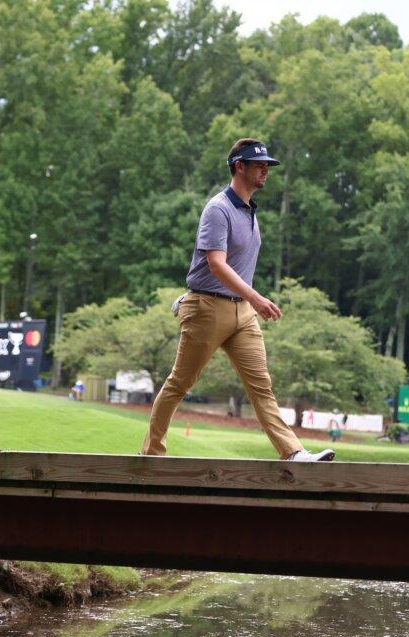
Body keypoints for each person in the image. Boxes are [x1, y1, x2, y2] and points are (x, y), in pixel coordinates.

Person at [141, 138, 334, 462]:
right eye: (258, 165)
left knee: (262, 387)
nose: (265, 171)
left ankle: (294, 452)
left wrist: (249, 303)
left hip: (242, 313)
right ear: (238, 166)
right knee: (179, 384)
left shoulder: (249, 212)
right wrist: (256, 298)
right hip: (207, 308)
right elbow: (216, 264)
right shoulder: (218, 209)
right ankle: (151, 453)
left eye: (267, 166)